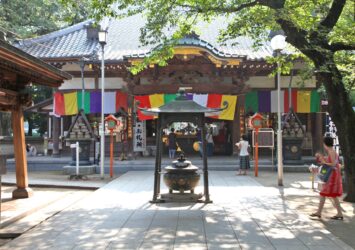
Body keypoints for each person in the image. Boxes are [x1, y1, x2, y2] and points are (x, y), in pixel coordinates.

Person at [310, 136, 343, 220]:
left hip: (331, 176)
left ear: (325, 144)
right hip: (332, 174)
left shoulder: (331, 151)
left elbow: (332, 164)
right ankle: (338, 213)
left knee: (324, 193)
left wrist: (324, 161)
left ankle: (319, 212)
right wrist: (322, 158)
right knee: (331, 195)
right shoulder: (332, 151)